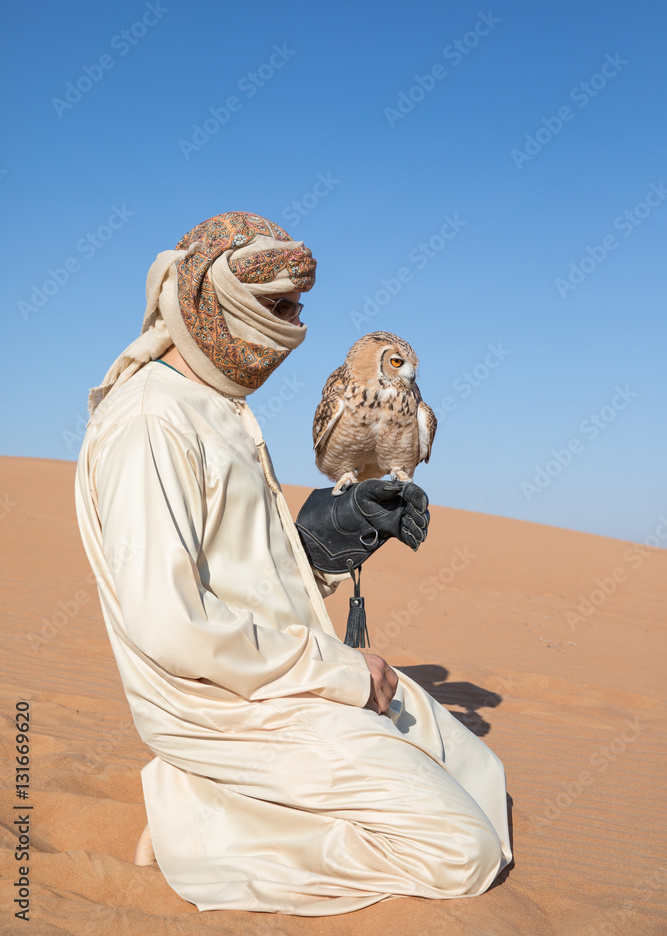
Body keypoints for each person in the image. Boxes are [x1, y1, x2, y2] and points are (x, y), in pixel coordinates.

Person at [74, 210, 512, 916]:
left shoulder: (217, 408)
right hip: (220, 705)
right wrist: (341, 672)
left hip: (278, 672)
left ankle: (248, 796)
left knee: (476, 770)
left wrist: (328, 548)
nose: (293, 326)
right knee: (462, 852)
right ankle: (205, 817)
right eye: (277, 307)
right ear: (219, 302)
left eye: (298, 307)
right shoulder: (153, 422)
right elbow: (168, 621)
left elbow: (245, 579)